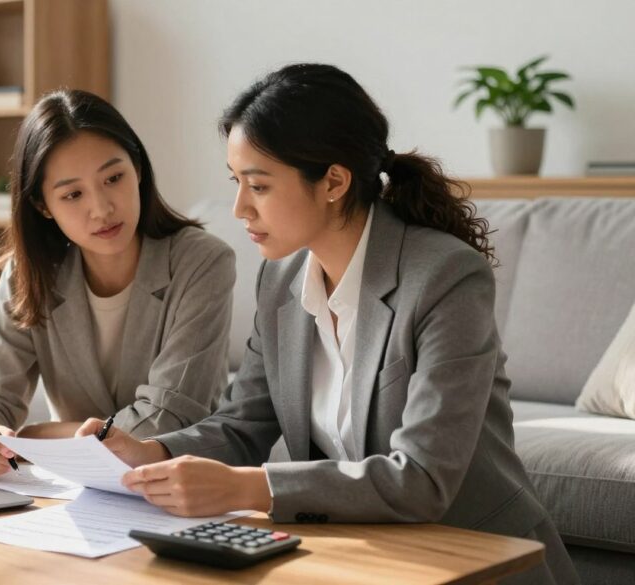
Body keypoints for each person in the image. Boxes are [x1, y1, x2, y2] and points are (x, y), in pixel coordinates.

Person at [76, 64, 578, 584]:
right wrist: (151, 452)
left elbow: (424, 479)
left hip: (476, 558)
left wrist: (250, 488)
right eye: (236, 183)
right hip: (366, 557)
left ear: (334, 181)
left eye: (259, 186)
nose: (240, 208)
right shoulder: (280, 279)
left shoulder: (446, 277)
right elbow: (242, 424)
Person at [0, 89, 236, 480]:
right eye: (73, 194)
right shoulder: (29, 272)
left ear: (138, 169)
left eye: (113, 178)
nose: (101, 208)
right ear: (43, 206)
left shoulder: (201, 262)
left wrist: (37, 436)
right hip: (73, 488)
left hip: (181, 484)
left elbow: (171, 417)